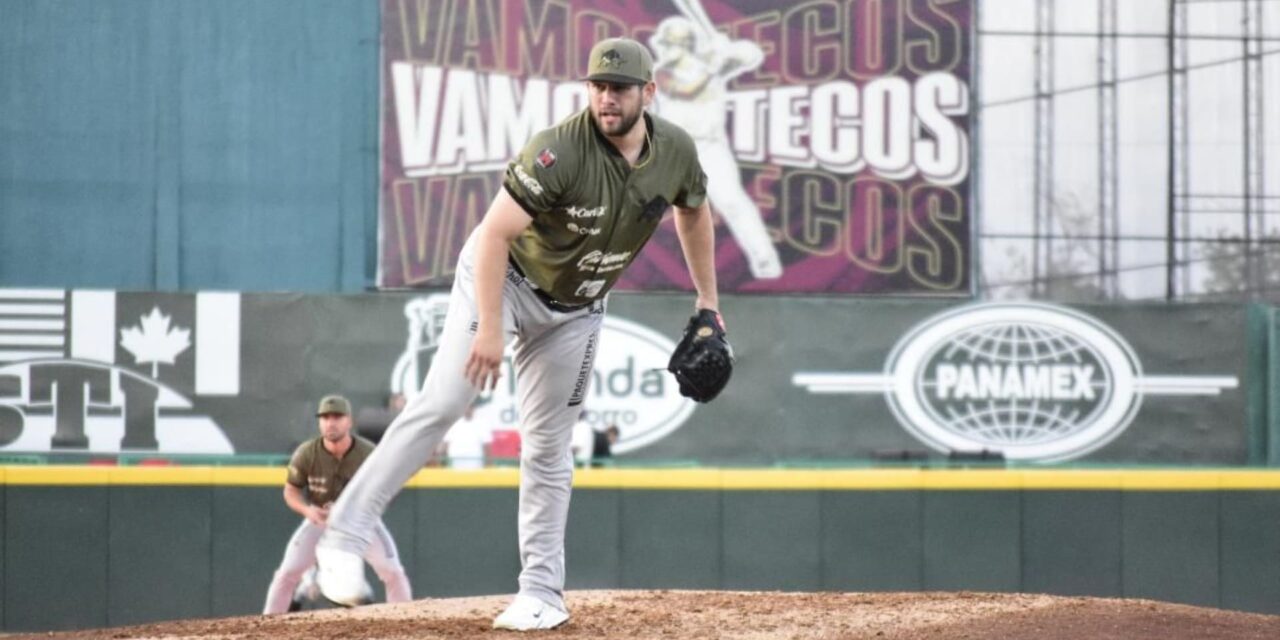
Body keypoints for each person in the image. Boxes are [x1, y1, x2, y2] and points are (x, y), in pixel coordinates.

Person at [313, 36, 723, 631]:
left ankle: (541, 593)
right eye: (598, 86)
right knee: (444, 402)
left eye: (620, 88)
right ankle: (343, 540)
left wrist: (708, 303)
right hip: (503, 282)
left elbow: (694, 210)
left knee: (551, 449)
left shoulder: (675, 151)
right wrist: (489, 326)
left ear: (648, 93)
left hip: (578, 307)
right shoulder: (559, 150)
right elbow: (492, 235)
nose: (607, 98)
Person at [650, 12, 782, 279]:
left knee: (733, 203)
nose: (663, 49)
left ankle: (765, 261)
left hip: (711, 147)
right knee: (645, 204)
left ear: (683, 45)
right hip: (675, 149)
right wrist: (714, 66)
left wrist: (726, 50)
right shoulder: (662, 72)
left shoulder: (712, 62)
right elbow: (688, 90)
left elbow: (753, 55)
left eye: (668, 44)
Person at [261, 395, 412, 614]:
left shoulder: (367, 453)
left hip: (359, 522)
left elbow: (389, 486)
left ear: (349, 421)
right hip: (320, 520)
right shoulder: (307, 453)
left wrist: (364, 508)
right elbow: (291, 491)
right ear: (319, 422)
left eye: (337, 417)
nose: (330, 422)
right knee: (286, 574)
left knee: (393, 572)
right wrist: (307, 509)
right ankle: (265, 630)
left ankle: (406, 627)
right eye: (325, 417)